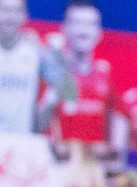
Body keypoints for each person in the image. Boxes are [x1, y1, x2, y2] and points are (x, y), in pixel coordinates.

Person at [0, 0, 72, 135]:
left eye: (16, 11)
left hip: (21, 142)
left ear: (25, 16)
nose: (9, 17)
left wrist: (56, 55)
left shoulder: (37, 53)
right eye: (4, 10)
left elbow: (68, 92)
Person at [50, 0, 115, 148]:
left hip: (95, 167)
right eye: (77, 23)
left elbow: (116, 130)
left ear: (99, 33)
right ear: (64, 29)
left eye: (90, 24)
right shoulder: (51, 74)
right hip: (56, 164)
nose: (84, 31)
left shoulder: (106, 75)